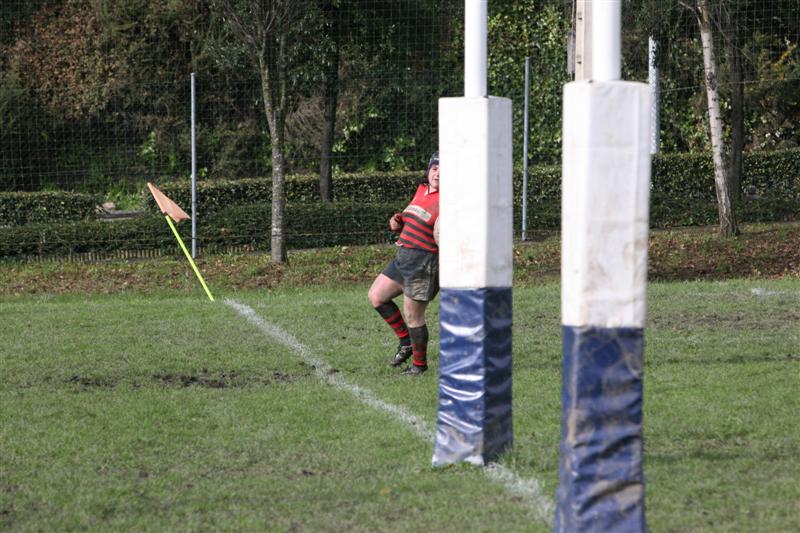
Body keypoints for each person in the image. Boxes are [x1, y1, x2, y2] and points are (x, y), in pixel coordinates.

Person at [367, 151, 440, 375]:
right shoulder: (421, 190)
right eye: (435, 168)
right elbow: (411, 220)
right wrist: (396, 223)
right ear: (428, 170)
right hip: (403, 258)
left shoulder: (452, 200)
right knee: (377, 297)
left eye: (445, 170)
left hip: (423, 262)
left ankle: (419, 366)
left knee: (414, 316)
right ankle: (406, 342)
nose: (438, 173)